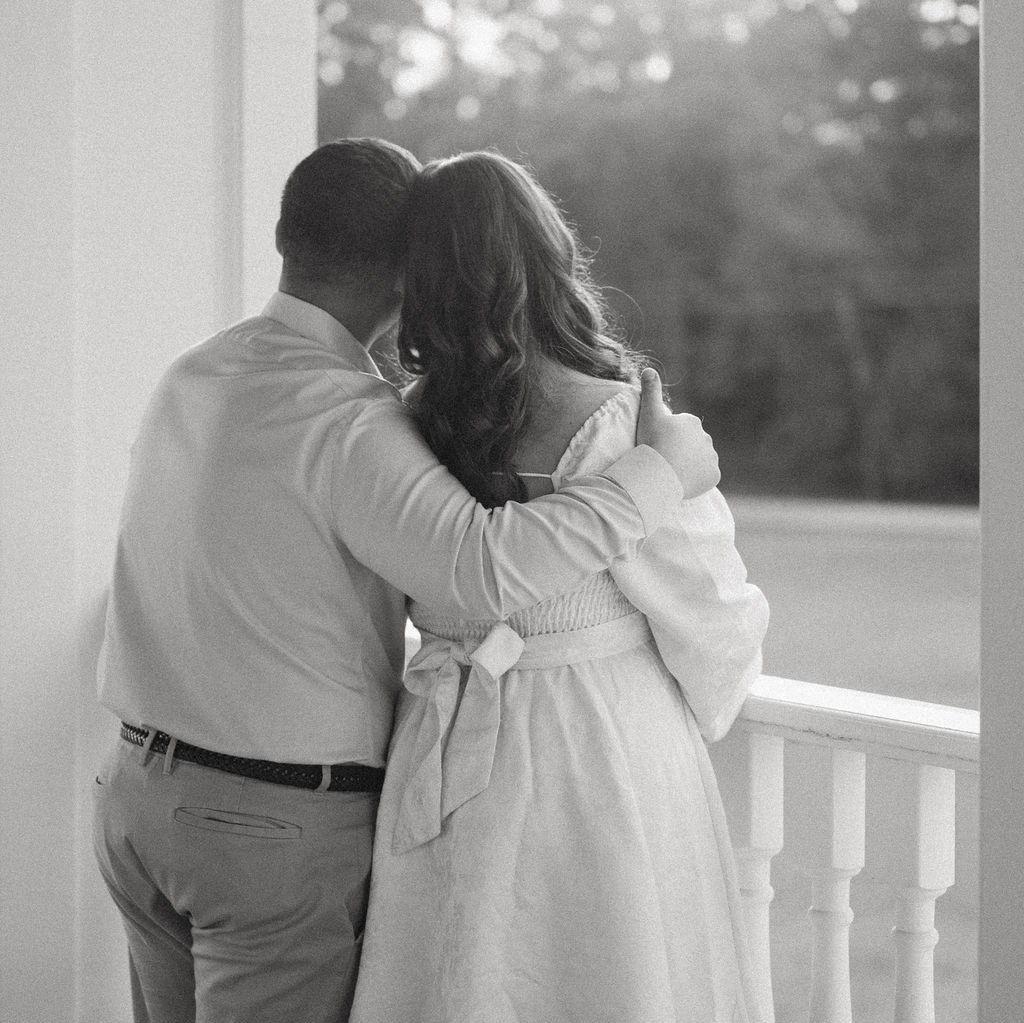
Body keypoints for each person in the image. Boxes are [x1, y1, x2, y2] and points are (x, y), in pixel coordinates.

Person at [91, 138, 722, 1023]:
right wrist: (660, 472)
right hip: (264, 828)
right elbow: (482, 566)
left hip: (135, 798)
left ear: (285, 235)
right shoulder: (346, 419)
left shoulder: (193, 374)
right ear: (403, 269)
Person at [349, 151, 770, 1023]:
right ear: (548, 259)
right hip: (598, 749)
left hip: (444, 740)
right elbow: (712, 616)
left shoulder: (397, 429)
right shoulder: (625, 428)